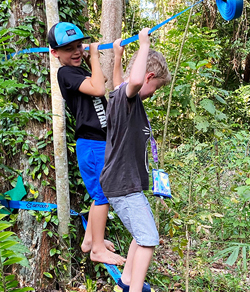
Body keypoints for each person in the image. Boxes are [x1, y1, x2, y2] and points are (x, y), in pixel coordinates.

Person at [47, 22, 125, 266]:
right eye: (68, 48)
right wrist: (93, 55)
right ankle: (98, 250)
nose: (76, 51)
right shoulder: (66, 73)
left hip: (99, 142)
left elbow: (104, 88)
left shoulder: (80, 72)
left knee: (98, 194)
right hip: (91, 145)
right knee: (103, 196)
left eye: (78, 45)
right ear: (54, 53)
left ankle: (90, 241)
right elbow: (99, 88)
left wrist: (111, 58)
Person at [100, 28, 171, 292]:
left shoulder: (125, 99)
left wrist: (118, 57)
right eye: (156, 86)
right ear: (149, 77)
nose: (154, 92)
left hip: (125, 183)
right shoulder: (126, 96)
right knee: (149, 238)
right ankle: (134, 289)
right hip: (123, 183)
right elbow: (134, 81)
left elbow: (123, 81)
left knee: (141, 236)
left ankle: (126, 283)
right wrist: (144, 45)